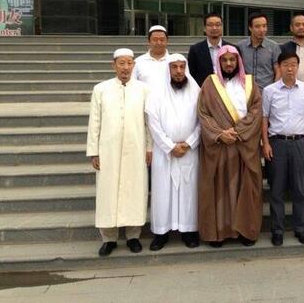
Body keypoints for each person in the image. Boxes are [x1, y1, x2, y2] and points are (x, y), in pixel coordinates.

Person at [86, 48, 152, 257]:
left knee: (135, 191)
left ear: (134, 65)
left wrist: (149, 147)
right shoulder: (101, 89)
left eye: (129, 63)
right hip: (108, 151)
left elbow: (148, 122)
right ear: (113, 65)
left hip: (136, 149)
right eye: (121, 63)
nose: (125, 68)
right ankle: (109, 239)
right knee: (108, 192)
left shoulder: (144, 89)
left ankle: (133, 236)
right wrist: (94, 151)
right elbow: (94, 122)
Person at [197, 45, 263, 247]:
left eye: (232, 60)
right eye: (224, 60)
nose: (228, 64)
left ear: (238, 61)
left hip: (244, 146)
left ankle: (245, 231)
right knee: (219, 190)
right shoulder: (210, 83)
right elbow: (203, 113)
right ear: (218, 62)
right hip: (219, 148)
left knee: (246, 188)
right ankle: (218, 233)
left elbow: (256, 111)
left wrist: (237, 132)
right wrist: (219, 134)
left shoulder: (249, 83)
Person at [146, 54, 201, 251]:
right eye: (174, 67)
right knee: (163, 192)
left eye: (182, 67)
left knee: (189, 192)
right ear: (167, 70)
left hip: (189, 151)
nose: (178, 71)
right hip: (165, 153)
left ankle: (189, 231)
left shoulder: (196, 91)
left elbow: (203, 120)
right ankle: (161, 233)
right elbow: (153, 123)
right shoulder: (156, 93)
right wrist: (170, 146)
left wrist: (189, 143)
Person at [262, 51, 304, 247]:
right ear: (279, 67)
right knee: (276, 189)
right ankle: (277, 230)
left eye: (293, 64)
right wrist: (265, 143)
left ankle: (300, 228)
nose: (290, 68)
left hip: (300, 143)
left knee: (299, 189)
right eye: (285, 64)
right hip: (277, 143)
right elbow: (264, 118)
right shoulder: (269, 91)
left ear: (298, 66)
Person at [237, 12, 281, 91]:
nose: (262, 30)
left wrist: (274, 90)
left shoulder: (274, 46)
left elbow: (278, 71)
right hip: (246, 92)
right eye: (257, 26)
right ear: (250, 28)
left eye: (264, 26)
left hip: (267, 92)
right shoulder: (241, 46)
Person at [187, 13, 233, 86]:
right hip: (204, 89)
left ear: (222, 27)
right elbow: (191, 74)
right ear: (204, 28)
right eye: (210, 25)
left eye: (218, 25)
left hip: (228, 89)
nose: (214, 28)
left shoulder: (232, 48)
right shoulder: (195, 50)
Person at [133, 25, 170, 90]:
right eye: (155, 39)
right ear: (149, 41)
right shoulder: (138, 62)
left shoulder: (173, 62)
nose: (159, 43)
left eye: (162, 39)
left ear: (167, 41)